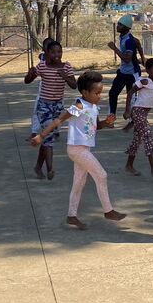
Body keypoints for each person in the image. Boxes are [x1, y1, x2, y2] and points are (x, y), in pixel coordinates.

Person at [31, 71, 126, 230]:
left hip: (84, 149)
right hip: (76, 149)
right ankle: (108, 210)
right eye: (96, 93)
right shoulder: (78, 106)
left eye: (100, 93)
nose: (99, 96)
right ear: (84, 92)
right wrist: (41, 135)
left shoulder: (93, 106)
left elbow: (97, 127)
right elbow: (58, 119)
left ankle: (72, 216)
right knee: (101, 175)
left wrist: (106, 122)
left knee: (79, 183)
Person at [24, 40, 77, 180]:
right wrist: (30, 74)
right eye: (53, 52)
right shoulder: (42, 66)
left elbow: (74, 85)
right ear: (46, 53)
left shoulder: (66, 67)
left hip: (58, 106)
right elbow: (27, 80)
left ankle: (37, 166)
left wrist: (65, 76)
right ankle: (50, 168)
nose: (56, 55)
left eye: (59, 52)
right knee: (48, 137)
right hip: (44, 106)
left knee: (47, 137)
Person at [122, 57, 153, 177]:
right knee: (149, 137)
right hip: (138, 112)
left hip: (143, 114)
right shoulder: (144, 82)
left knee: (137, 140)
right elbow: (130, 93)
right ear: (148, 70)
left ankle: (129, 165)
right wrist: (127, 110)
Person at [107, 14, 145, 116]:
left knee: (132, 96)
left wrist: (114, 48)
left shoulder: (128, 41)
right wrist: (142, 58)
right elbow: (138, 43)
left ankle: (133, 119)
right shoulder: (126, 38)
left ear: (127, 28)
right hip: (123, 72)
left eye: (120, 25)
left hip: (132, 74)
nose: (118, 26)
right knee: (113, 93)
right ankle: (111, 117)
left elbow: (127, 59)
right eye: (118, 24)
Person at [29, 38, 55, 142]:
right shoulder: (42, 59)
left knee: (55, 112)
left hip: (56, 91)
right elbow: (31, 77)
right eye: (47, 46)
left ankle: (54, 131)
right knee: (36, 110)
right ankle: (34, 132)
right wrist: (31, 74)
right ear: (44, 48)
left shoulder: (57, 60)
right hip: (43, 91)